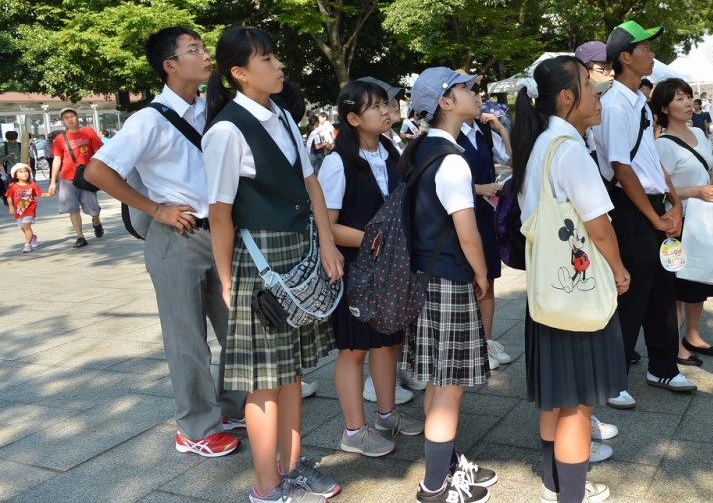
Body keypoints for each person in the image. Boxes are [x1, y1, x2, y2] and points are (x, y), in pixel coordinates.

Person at [86, 27, 247, 459]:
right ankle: (195, 428)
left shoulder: (211, 110)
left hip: (217, 233)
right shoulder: (148, 119)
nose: (206, 55)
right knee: (187, 338)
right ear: (170, 66)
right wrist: (156, 209)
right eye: (194, 50)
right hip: (176, 236)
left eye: (204, 47)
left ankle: (230, 409)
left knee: (235, 328)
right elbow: (97, 172)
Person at [203, 27, 344, 503]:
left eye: (275, 56)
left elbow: (311, 184)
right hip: (258, 261)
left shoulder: (281, 114)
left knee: (292, 372)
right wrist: (226, 282)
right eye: (266, 59)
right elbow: (219, 213)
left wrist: (327, 242)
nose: (278, 65)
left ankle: (293, 465)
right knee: (264, 381)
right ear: (239, 73)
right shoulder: (225, 130)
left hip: (299, 251)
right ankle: (266, 486)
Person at [512, 56, 628, 503]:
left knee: (556, 398)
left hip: (549, 292)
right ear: (566, 97)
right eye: (587, 84)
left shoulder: (539, 143)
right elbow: (599, 226)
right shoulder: (570, 150)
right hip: (577, 298)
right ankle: (571, 496)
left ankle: (554, 484)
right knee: (578, 406)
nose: (597, 92)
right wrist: (619, 269)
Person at [400, 67, 497, 503]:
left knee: (439, 384)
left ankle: (447, 467)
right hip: (449, 277)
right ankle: (435, 486)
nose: (475, 93)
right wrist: (481, 274)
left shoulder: (420, 149)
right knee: (448, 388)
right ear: (445, 102)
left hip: (423, 275)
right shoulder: (452, 159)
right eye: (466, 89)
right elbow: (467, 230)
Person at [318, 80, 424, 460]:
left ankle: (387, 415)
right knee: (354, 350)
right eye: (376, 106)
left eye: (386, 104)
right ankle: (354, 430)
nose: (386, 111)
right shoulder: (337, 162)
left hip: (390, 271)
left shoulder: (391, 150)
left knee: (388, 343)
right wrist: (370, 239)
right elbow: (327, 226)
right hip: (355, 273)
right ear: (352, 118)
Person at [592, 20, 693, 412]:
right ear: (625, 57)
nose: (652, 53)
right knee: (630, 293)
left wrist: (674, 201)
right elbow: (620, 166)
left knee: (663, 293)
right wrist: (653, 216)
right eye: (645, 48)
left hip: (655, 206)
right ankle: (611, 377)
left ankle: (663, 367)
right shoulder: (615, 103)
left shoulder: (639, 102)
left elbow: (648, 158)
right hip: (631, 210)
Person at [650, 80, 713, 367]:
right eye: (679, 98)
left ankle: (692, 335)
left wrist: (712, 179)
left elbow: (704, 169)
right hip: (679, 221)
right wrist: (696, 191)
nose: (686, 103)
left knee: (698, 282)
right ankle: (674, 345)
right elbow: (657, 188)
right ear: (664, 107)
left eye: (688, 97)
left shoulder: (698, 133)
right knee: (677, 286)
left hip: (705, 218)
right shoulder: (662, 145)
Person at [458, 82, 513, 371]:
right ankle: (472, 346)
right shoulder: (448, 136)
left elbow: (514, 161)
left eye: (478, 93)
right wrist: (479, 188)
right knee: (471, 280)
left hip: (485, 214)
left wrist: (502, 130)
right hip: (464, 214)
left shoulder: (483, 132)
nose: (479, 99)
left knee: (489, 278)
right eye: (471, 93)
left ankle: (486, 341)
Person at [46, 107, 104, 248]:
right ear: (62, 121)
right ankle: (80, 236)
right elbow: (57, 160)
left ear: (77, 117)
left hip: (87, 175)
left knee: (93, 207)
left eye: (72, 116)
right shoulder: (60, 139)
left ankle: (96, 222)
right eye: (66, 117)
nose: (70, 119)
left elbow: (99, 152)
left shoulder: (88, 132)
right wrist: (53, 181)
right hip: (67, 177)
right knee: (72, 208)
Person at [6, 163, 44, 253]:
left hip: (30, 209)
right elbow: (9, 197)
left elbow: (40, 194)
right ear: (16, 175)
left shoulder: (32, 185)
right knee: (23, 227)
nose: (25, 173)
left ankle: (28, 245)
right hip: (19, 210)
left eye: (26, 171)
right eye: (21, 172)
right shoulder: (12, 186)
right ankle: (33, 236)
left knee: (27, 226)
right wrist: (11, 207)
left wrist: (50, 194)